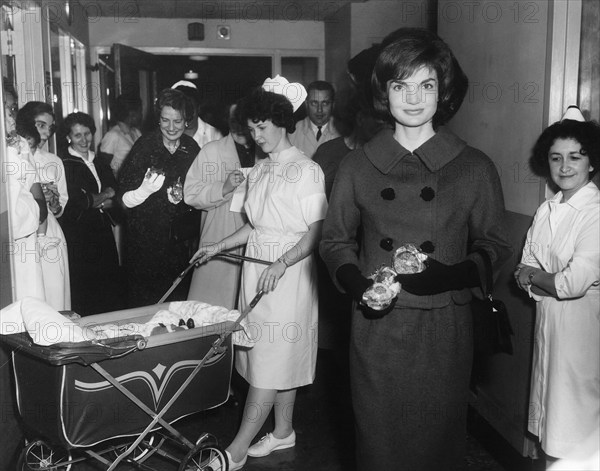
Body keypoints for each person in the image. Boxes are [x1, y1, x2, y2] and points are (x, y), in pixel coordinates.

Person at [319, 28, 512, 471]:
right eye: (400, 85)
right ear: (383, 93)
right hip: (377, 329)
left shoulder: (473, 166)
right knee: (380, 445)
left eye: (426, 85)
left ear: (442, 93)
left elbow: (495, 245)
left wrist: (450, 275)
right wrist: (355, 283)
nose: (413, 98)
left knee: (436, 448)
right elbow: (334, 241)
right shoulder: (357, 165)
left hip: (444, 328)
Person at [190, 77, 326, 471]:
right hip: (257, 266)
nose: (256, 136)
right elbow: (255, 225)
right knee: (267, 358)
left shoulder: (308, 171)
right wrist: (217, 246)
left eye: (262, 127)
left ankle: (236, 450)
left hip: (289, 271)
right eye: (251, 130)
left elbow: (315, 231)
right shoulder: (260, 169)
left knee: (272, 358)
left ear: (282, 122)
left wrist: (283, 263)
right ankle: (283, 432)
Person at [515, 107, 599, 469]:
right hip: (548, 327)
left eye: (575, 157)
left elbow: (571, 283)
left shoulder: (595, 213)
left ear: (591, 163)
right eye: (556, 157)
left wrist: (536, 276)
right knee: (552, 427)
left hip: (584, 333)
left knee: (578, 431)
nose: (565, 167)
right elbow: (522, 270)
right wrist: (538, 279)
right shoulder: (547, 208)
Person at [118, 88, 201, 307]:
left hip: (180, 245)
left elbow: (201, 192)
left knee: (177, 304)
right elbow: (123, 201)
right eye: (165, 120)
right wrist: (143, 191)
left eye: (177, 121)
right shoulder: (145, 147)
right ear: (158, 120)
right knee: (147, 305)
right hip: (146, 245)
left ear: (187, 122)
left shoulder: (191, 148)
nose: (171, 127)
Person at [184, 103, 259, 309]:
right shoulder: (212, 151)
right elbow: (190, 194)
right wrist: (223, 188)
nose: (239, 124)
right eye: (234, 118)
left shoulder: (265, 153)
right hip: (219, 235)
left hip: (256, 237)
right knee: (212, 309)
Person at [58, 112, 123, 315]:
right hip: (79, 235)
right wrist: (104, 195)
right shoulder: (64, 164)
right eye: (77, 135)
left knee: (108, 287)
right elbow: (77, 201)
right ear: (69, 137)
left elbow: (117, 194)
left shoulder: (100, 161)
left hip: (103, 231)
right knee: (85, 289)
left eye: (87, 134)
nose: (84, 140)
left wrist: (98, 199)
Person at [16, 101, 71, 310]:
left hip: (51, 233)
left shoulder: (54, 161)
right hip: (25, 231)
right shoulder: (17, 156)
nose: (47, 132)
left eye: (51, 127)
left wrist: (55, 203)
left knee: (54, 293)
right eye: (41, 125)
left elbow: (61, 206)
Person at [3, 86, 46, 302]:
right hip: (10, 247)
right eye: (6, 109)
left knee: (32, 307)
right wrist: (34, 205)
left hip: (27, 248)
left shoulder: (19, 144)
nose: (12, 116)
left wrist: (36, 206)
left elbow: (41, 206)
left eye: (13, 108)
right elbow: (13, 217)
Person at [289, 80, 339, 158]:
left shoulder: (342, 132)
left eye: (325, 103)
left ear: (333, 105)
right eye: (314, 103)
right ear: (306, 104)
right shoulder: (293, 132)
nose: (319, 110)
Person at [98, 93, 142, 177]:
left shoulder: (136, 133)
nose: (141, 115)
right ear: (131, 114)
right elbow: (103, 167)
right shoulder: (113, 135)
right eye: (139, 112)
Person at [171, 80, 223, 148]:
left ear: (198, 108)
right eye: (180, 108)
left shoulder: (215, 136)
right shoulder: (167, 135)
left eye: (190, 108)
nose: (185, 113)